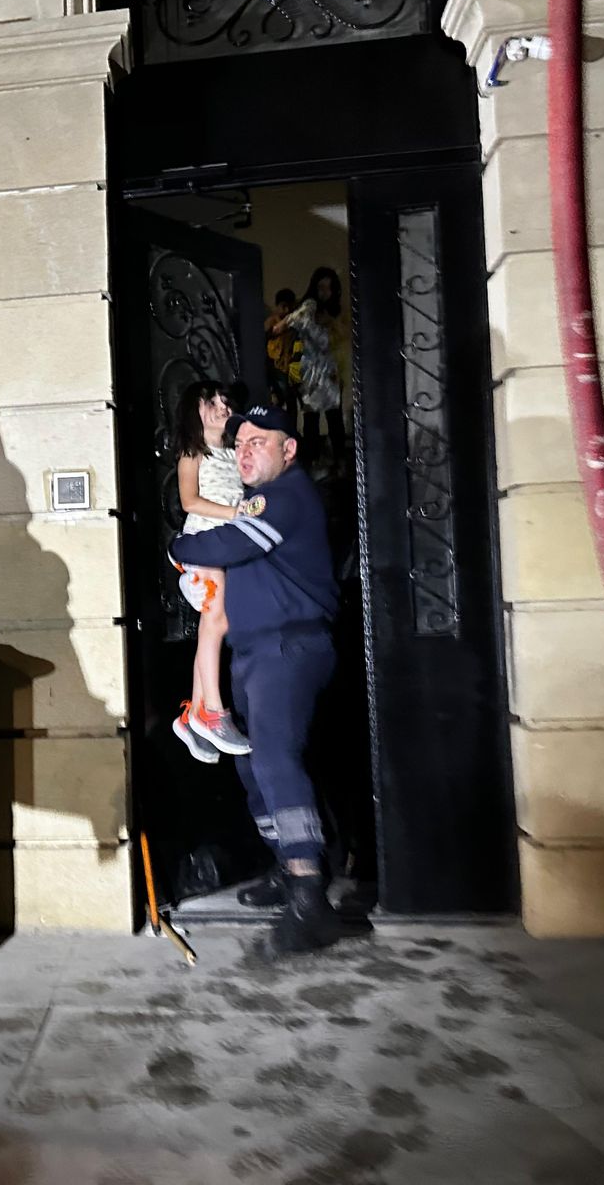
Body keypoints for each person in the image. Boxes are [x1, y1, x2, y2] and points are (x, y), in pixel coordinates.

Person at [170, 403, 342, 954]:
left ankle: (310, 896)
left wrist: (178, 544)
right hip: (254, 652)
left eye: (258, 442)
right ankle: (285, 872)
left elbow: (221, 545)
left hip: (287, 647)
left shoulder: (285, 496)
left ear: (289, 450)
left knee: (273, 760)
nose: (245, 451)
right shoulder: (248, 503)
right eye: (239, 444)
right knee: (251, 767)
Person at [170, 381, 251, 762]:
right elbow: (189, 500)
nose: (222, 407)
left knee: (215, 622)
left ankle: (195, 715)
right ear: (196, 410)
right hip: (205, 540)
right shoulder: (193, 450)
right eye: (212, 402)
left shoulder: (232, 450)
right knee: (215, 621)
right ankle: (212, 712)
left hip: (226, 542)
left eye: (224, 401)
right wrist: (235, 514)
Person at [288, 267, 347, 472]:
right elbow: (298, 324)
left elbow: (339, 341)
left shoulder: (335, 312)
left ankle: (339, 463)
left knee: (334, 419)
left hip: (330, 372)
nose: (325, 293)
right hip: (311, 373)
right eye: (321, 287)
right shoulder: (309, 307)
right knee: (313, 420)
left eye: (329, 288)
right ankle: (312, 464)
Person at [264, 287, 298, 412]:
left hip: (292, 367)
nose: (287, 310)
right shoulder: (272, 321)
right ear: (277, 306)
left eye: (290, 306)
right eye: (283, 306)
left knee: (291, 401)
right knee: (280, 400)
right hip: (276, 367)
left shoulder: (294, 321)